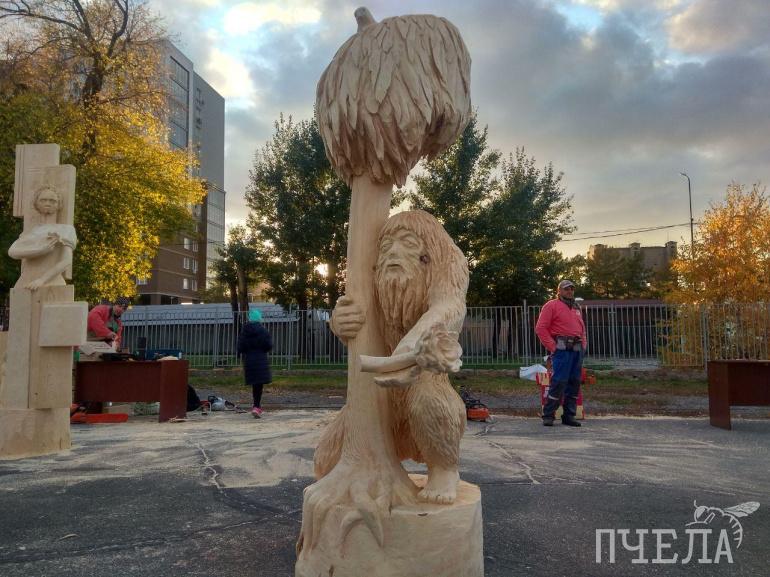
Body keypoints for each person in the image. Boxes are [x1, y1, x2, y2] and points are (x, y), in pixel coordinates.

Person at [535, 279, 587, 427]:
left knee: (574, 382)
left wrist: (584, 346)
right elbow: (540, 328)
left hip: (577, 350)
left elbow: (582, 329)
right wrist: (553, 347)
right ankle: (548, 415)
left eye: (571, 289)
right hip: (561, 350)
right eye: (566, 289)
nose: (569, 291)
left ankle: (569, 416)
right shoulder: (551, 305)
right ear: (559, 291)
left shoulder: (576, 307)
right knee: (559, 382)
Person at [237, 309, 273, 418]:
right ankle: (256, 406)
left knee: (255, 384)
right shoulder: (263, 331)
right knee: (259, 384)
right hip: (261, 359)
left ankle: (256, 406)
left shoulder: (245, 331)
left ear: (250, 318)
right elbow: (269, 345)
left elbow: (240, 347)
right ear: (259, 318)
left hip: (249, 360)